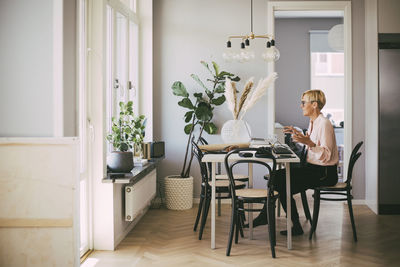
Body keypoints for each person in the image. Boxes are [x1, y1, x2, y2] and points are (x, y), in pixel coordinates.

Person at [250, 89, 339, 236]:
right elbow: (313, 148)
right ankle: (285, 222)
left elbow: (326, 156)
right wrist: (300, 137)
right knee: (277, 177)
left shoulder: (324, 124)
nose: (301, 105)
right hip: (314, 169)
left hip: (324, 173)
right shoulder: (313, 122)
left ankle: (273, 218)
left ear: (314, 104)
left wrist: (309, 143)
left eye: (304, 102)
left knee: (280, 181)